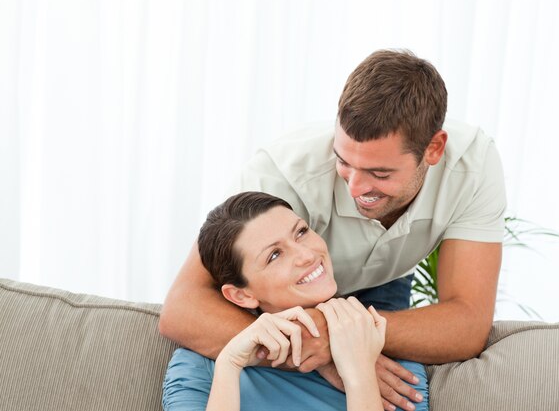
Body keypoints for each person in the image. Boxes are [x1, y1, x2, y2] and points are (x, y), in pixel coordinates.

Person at [160, 49, 506, 411]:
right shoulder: (279, 175)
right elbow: (183, 308)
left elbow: (467, 321)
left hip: (383, 293)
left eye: (380, 173)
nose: (355, 187)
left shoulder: (474, 166)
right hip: (287, 302)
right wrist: (319, 347)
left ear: (434, 149)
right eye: (344, 162)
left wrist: (341, 335)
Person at [162, 191, 427, 411]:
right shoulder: (202, 368)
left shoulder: (392, 370)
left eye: (301, 232)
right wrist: (230, 364)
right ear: (242, 295)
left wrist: (359, 375)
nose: (306, 255)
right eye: (275, 255)